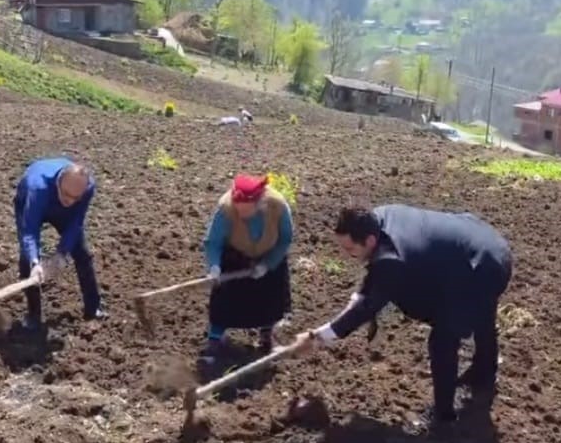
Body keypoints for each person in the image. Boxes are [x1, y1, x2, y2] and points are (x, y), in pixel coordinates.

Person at [294, 204, 513, 429]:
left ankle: (444, 416)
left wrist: (316, 338)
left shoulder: (393, 258)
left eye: (350, 249)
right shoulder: (379, 217)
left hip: (484, 265)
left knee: (444, 339)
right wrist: (358, 295)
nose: (346, 254)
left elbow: (367, 308)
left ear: (369, 241)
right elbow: (375, 273)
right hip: (481, 242)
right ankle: (484, 371)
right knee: (479, 312)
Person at [202, 174, 293, 360]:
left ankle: (267, 336)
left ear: (260, 203)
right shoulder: (225, 209)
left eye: (247, 211)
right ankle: (215, 339)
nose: (241, 214)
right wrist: (214, 267)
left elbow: (285, 240)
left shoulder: (278, 206)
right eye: (239, 210)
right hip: (236, 256)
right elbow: (213, 242)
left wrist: (268, 264)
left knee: (270, 297)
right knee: (224, 298)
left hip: (269, 255)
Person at [13, 157, 106, 331]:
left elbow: (76, 222)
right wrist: (35, 262)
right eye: (66, 194)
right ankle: (34, 315)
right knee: (27, 258)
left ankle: (93, 308)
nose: (69, 201)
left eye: (75, 198)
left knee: (82, 254)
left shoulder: (86, 189)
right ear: (59, 182)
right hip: (32, 202)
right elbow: (30, 231)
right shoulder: (37, 188)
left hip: (64, 213)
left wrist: (62, 254)